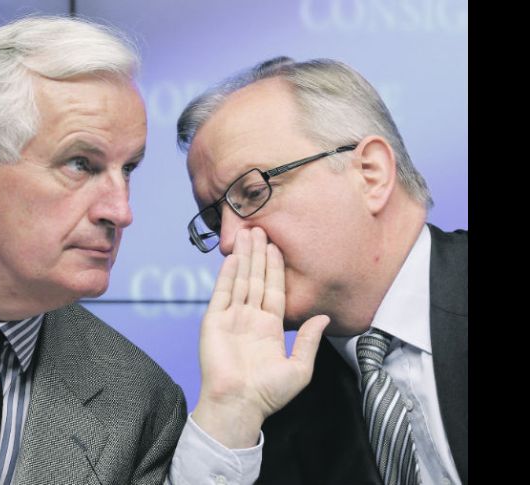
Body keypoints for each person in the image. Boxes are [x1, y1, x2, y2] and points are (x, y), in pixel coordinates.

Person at [0, 17, 325, 485]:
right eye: (81, 164)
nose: (121, 210)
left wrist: (230, 410)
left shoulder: (137, 404)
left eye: (127, 170)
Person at [177, 57, 467, 485]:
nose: (229, 242)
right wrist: (232, 409)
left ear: (370, 173)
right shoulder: (267, 412)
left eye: (252, 192)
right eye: (217, 220)